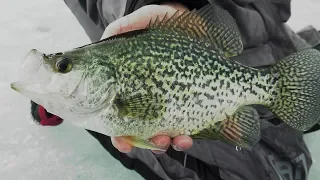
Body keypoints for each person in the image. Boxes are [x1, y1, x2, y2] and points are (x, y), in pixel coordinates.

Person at [30, 0, 320, 179]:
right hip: (129, 29)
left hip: (259, 42)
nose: (61, 70)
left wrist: (177, 6)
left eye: (64, 67)